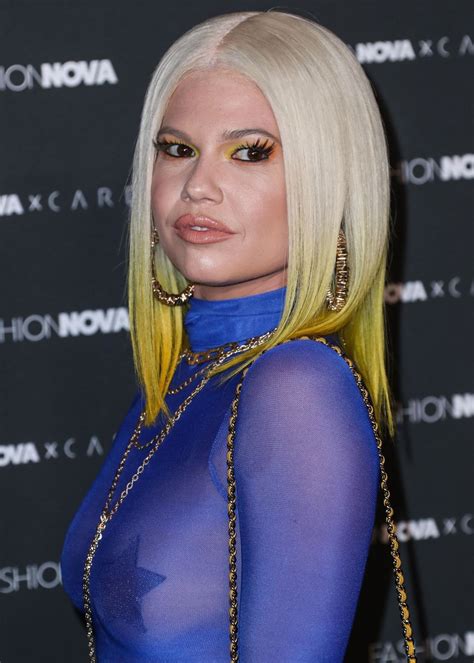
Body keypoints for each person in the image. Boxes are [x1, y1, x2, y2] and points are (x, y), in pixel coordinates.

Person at [60, 9, 416, 663]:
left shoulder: (295, 387)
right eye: (177, 149)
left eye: (250, 152)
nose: (198, 186)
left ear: (331, 181)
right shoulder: (190, 370)